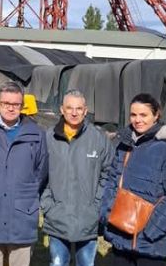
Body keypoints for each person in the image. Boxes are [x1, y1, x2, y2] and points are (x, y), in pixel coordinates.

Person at [99, 93, 166, 266]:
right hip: (121, 233)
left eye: (143, 115)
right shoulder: (124, 145)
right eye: (133, 115)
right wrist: (107, 213)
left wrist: (151, 231)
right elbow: (112, 181)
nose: (137, 120)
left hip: (151, 245)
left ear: (156, 116)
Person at [0, 81, 48, 266]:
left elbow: (41, 172)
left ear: (22, 106)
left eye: (16, 104)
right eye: (6, 103)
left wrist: (23, 194)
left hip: (21, 218)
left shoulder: (36, 135)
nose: (11, 109)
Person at [41, 90, 114, 266]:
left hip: (88, 220)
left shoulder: (98, 139)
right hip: (57, 219)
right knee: (58, 263)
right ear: (62, 109)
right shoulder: (48, 138)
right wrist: (49, 205)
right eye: (69, 108)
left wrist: (96, 205)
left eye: (79, 108)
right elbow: (39, 175)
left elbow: (109, 174)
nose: (74, 113)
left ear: (85, 110)